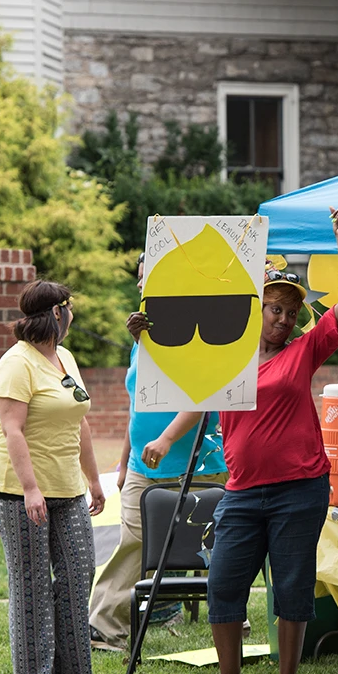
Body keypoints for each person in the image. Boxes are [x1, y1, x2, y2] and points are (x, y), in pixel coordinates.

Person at [140, 207, 338, 674]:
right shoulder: (229, 357)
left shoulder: (303, 351)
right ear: (256, 309)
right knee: (223, 584)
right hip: (241, 491)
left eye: (291, 313)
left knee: (291, 587)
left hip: (299, 489)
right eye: (275, 309)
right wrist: (166, 438)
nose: (283, 319)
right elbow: (194, 391)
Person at [87, 256, 229, 651]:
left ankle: (231, 617)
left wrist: (166, 440)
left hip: (196, 464)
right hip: (142, 466)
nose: (140, 285)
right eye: (139, 278)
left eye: (147, 277)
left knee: (209, 547)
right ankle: (106, 628)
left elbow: (205, 394)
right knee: (133, 543)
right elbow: (139, 406)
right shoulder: (143, 337)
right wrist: (124, 459)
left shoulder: (201, 333)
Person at [0, 280, 107, 674]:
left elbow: (79, 421)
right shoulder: (16, 363)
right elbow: (12, 429)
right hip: (18, 488)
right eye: (70, 308)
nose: (72, 316)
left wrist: (93, 480)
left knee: (79, 570)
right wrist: (30, 488)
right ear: (58, 312)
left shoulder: (63, 357)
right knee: (32, 581)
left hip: (67, 484)